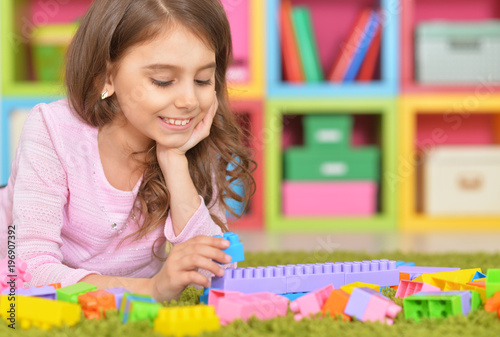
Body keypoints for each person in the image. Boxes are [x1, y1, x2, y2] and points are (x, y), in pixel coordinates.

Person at [0, 0, 255, 302]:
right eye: (163, 81)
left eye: (202, 80)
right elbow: (28, 272)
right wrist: (151, 288)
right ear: (106, 76)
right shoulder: (52, 129)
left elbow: (220, 272)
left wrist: (174, 162)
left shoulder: (191, 139)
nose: (189, 100)